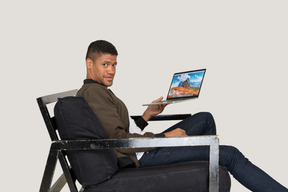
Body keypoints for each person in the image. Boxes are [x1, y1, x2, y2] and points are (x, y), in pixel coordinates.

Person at [77, 40, 288, 192]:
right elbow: (119, 141)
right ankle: (207, 166)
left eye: (114, 64)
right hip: (144, 155)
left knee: (205, 118)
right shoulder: (94, 93)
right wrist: (165, 139)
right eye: (105, 64)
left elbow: (119, 129)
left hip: (143, 147)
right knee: (230, 155)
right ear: (89, 63)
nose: (111, 70)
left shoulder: (98, 91)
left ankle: (202, 166)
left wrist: (147, 115)